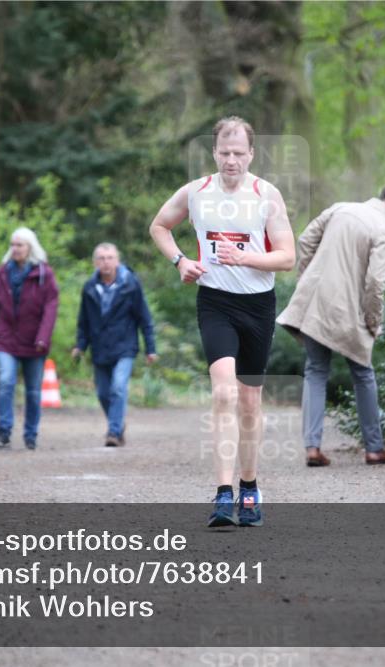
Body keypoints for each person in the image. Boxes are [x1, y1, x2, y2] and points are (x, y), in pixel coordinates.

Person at [149, 116, 295, 527]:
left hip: (257, 306)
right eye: (224, 152)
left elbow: (286, 257)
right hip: (215, 304)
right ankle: (222, 493)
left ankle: (249, 487)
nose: (231, 160)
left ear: (251, 154)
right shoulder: (196, 192)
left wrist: (245, 257)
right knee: (224, 395)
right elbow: (159, 226)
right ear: (214, 153)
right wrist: (180, 260)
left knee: (249, 402)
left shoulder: (266, 195)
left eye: (239, 153)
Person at [276, 182, 385, 466]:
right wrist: (374, 321)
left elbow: (304, 241)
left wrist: (307, 280)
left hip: (315, 303)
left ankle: (312, 448)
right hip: (350, 310)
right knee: (363, 375)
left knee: (315, 371)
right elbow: (376, 282)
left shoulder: (341, 208)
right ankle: (374, 449)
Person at [71, 242, 158, 447]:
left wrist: (150, 348)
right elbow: (83, 320)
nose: (106, 262)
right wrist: (80, 345)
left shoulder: (131, 284)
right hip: (99, 348)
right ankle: (117, 423)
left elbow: (144, 317)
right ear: (95, 263)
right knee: (102, 393)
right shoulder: (89, 287)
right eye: (101, 258)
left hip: (125, 346)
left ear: (117, 261)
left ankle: (113, 431)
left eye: (110, 258)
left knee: (118, 387)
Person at [0, 227, 59, 450]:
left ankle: (30, 434)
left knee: (33, 390)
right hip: (5, 338)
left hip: (35, 342)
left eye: (20, 245)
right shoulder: (2, 273)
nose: (15, 249)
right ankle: (4, 431)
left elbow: (50, 309)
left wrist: (43, 337)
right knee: (6, 380)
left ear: (30, 248)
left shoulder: (45, 274)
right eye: (13, 245)